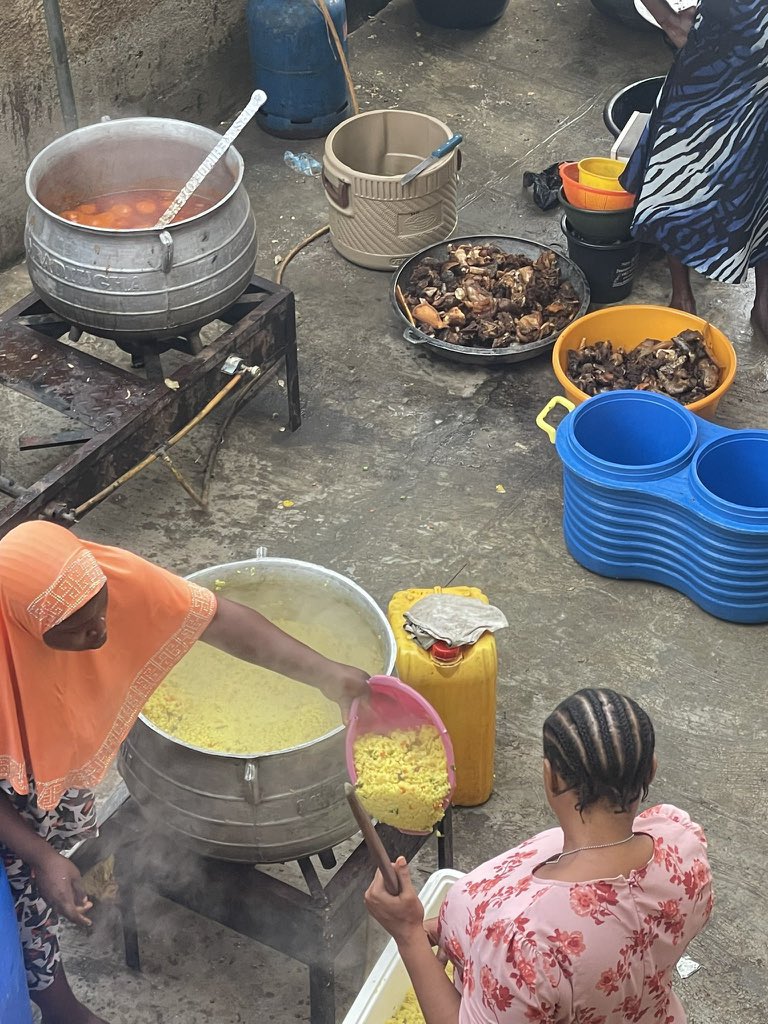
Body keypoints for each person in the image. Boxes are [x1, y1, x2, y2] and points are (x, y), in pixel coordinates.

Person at [0, 521, 369, 1024]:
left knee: (49, 859)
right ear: (24, 628)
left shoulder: (105, 579)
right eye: (78, 629)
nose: (102, 630)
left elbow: (218, 619)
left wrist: (328, 674)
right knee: (18, 892)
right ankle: (55, 1001)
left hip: (53, 766)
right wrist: (39, 855)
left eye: (101, 609)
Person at [365, 688, 713, 1023]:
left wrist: (408, 932)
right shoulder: (684, 845)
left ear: (551, 778)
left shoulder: (526, 945)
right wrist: (455, 931)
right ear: (651, 769)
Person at [621, 1, 768, 336]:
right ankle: (682, 292)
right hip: (723, 44)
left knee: (758, 171)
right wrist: (669, 20)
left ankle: (762, 302)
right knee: (684, 165)